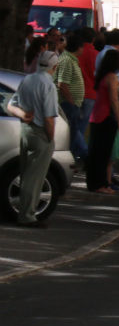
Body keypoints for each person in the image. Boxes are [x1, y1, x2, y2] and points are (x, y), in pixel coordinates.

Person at [7, 51, 60, 226]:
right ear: (54, 67)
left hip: (26, 130)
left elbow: (11, 106)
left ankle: (24, 211)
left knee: (26, 174)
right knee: (35, 177)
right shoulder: (49, 85)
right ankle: (27, 215)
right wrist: (50, 137)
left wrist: (23, 115)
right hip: (40, 132)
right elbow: (49, 118)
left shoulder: (28, 79)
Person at [86, 49, 119, 194]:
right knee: (104, 153)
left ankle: (94, 183)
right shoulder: (112, 78)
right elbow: (114, 100)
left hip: (96, 116)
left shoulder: (101, 76)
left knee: (95, 152)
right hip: (106, 117)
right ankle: (101, 184)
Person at [54, 34, 87, 163]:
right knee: (71, 135)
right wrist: (71, 103)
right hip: (67, 104)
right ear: (78, 47)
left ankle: (81, 155)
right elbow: (62, 84)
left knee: (74, 133)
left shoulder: (70, 59)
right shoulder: (67, 60)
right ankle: (81, 157)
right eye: (82, 47)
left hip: (71, 104)